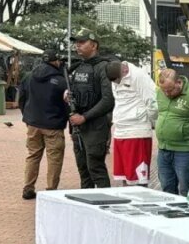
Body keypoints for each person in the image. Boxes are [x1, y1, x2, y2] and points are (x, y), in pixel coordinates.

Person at [67, 29, 115, 188]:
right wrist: (67, 95)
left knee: (96, 169)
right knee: (83, 170)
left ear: (94, 45)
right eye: (76, 43)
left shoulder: (103, 67)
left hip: (96, 126)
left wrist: (84, 117)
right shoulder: (78, 67)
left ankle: (104, 201)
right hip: (78, 127)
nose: (77, 46)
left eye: (82, 42)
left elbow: (108, 100)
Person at [19, 48, 68, 199]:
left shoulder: (29, 76)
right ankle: (51, 190)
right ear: (56, 61)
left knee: (33, 155)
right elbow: (67, 104)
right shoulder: (61, 81)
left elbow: (22, 98)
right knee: (54, 159)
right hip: (53, 125)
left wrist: (27, 116)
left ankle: (28, 187)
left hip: (33, 123)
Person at [155, 69, 189, 197]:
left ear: (179, 82)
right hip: (163, 149)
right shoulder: (160, 92)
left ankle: (188, 210)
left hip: (186, 150)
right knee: (167, 187)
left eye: (170, 90)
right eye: (164, 90)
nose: (167, 94)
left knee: (186, 189)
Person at [108, 60, 158, 186]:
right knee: (124, 176)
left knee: (139, 178)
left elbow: (153, 103)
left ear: (124, 70)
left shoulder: (139, 76)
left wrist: (152, 123)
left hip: (137, 131)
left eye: (118, 80)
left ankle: (141, 197)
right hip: (120, 130)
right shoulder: (115, 77)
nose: (116, 83)